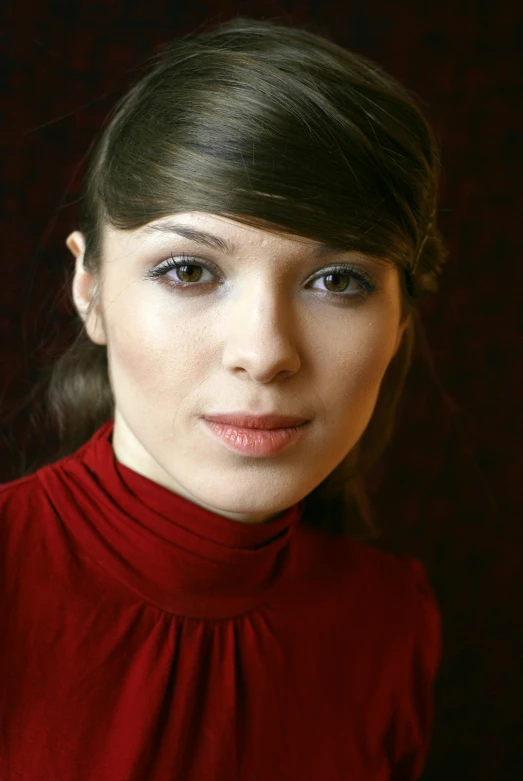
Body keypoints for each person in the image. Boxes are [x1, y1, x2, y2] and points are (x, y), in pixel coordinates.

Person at [0, 16, 448, 780]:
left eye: (337, 280)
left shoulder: (391, 623)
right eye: (188, 270)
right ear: (91, 288)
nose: (266, 351)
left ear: (400, 316)